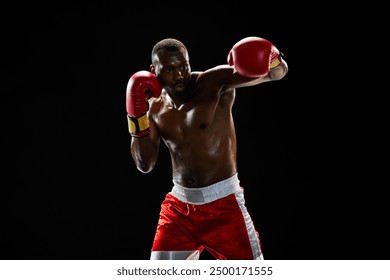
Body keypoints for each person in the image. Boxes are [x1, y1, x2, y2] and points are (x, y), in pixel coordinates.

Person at [125, 36, 288, 260]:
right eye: (170, 69)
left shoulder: (214, 83)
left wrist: (274, 60)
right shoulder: (153, 107)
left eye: (184, 66)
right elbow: (145, 164)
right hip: (180, 210)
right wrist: (136, 117)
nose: (180, 75)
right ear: (154, 70)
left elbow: (274, 74)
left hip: (225, 207)